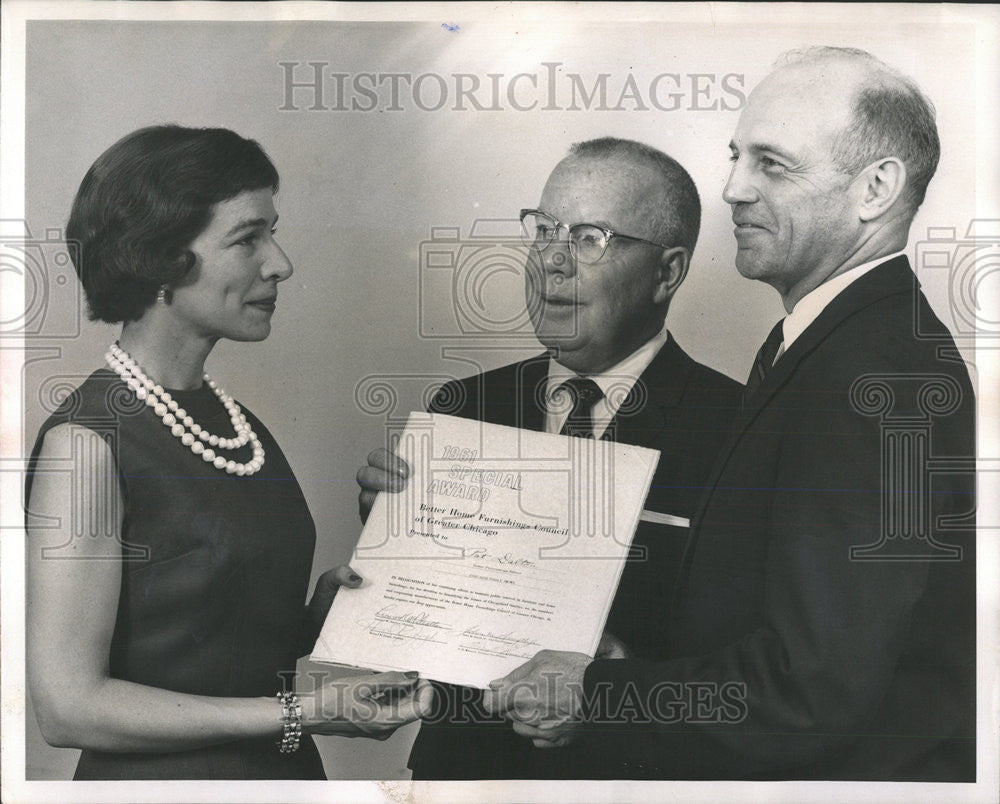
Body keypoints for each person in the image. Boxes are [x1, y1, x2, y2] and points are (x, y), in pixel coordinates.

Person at [481, 47, 976, 781]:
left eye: (772, 164)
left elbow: (810, 693)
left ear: (876, 188)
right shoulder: (834, 344)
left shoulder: (873, 373)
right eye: (737, 157)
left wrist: (600, 692)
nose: (734, 189)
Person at [25, 126, 432, 781]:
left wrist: (329, 608)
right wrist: (302, 712)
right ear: (158, 259)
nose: (279, 263)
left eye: (272, 232)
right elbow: (67, 708)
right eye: (248, 238)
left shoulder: (238, 426)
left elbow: (215, 648)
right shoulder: (86, 444)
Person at [357, 137, 743, 779]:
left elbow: (762, 661)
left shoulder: (738, 428)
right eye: (544, 231)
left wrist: (620, 683)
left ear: (667, 272)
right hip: (460, 779)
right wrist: (390, 541)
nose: (552, 263)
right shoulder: (462, 407)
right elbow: (421, 629)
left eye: (592, 237)